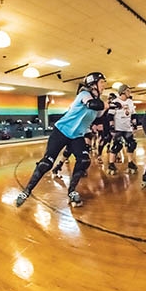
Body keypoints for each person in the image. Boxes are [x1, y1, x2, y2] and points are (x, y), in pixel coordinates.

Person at [15, 72, 108, 207]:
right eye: (102, 83)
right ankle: (26, 191)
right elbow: (92, 104)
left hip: (77, 136)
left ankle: (71, 191)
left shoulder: (98, 101)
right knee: (46, 163)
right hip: (61, 132)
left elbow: (99, 116)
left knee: (84, 160)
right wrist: (105, 104)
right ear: (93, 85)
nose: (104, 86)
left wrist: (110, 108)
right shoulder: (84, 95)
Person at [106, 84, 138, 175]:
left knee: (132, 144)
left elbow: (134, 114)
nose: (129, 92)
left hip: (127, 127)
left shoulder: (130, 102)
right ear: (123, 91)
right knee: (117, 145)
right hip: (118, 128)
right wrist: (112, 128)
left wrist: (134, 125)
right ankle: (111, 164)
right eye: (128, 90)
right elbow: (110, 116)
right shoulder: (115, 102)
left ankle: (130, 162)